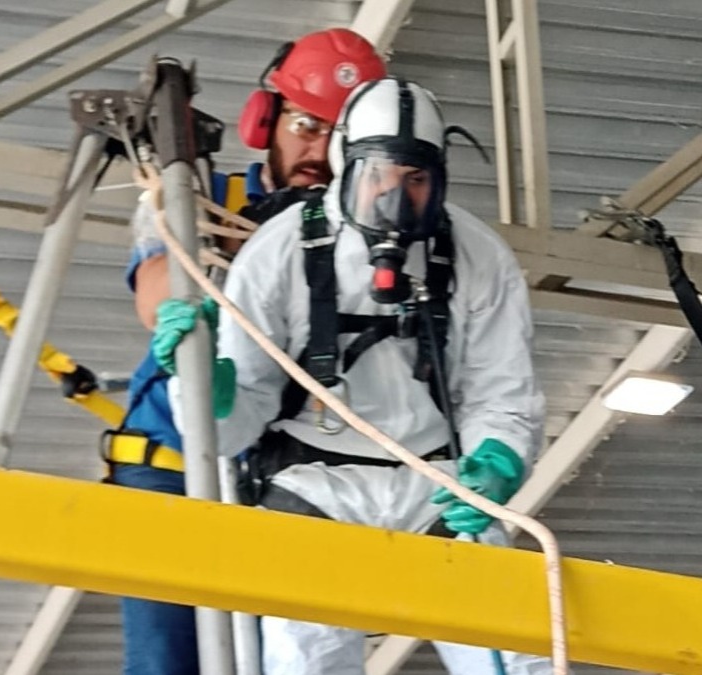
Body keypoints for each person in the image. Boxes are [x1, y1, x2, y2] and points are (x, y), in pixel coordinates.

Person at [157, 76, 557, 675]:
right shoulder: (280, 251)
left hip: (438, 490)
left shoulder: (477, 256)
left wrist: (495, 463)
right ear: (346, 164)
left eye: (415, 180)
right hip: (312, 488)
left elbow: (501, 393)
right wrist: (211, 392)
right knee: (303, 661)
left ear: (439, 179)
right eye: (378, 176)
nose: (395, 198)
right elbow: (240, 418)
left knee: (517, 656)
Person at [106, 28, 386, 675]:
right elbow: (156, 297)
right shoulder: (201, 197)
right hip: (172, 467)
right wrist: (245, 254)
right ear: (266, 120)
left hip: (289, 484)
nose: (318, 150)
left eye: (338, 136)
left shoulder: (371, 246)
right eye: (305, 125)